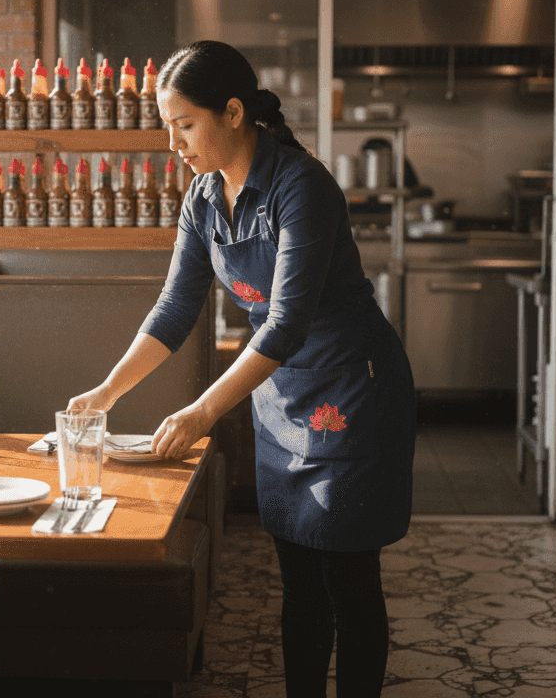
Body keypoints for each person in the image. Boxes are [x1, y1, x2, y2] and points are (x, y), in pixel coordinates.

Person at [68, 40, 416, 697]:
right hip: (280, 400)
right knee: (299, 584)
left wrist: (202, 411)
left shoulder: (301, 185)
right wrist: (106, 392)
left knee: (348, 583)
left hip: (350, 391)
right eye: (166, 127)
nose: (174, 143)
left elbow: (284, 323)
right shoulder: (202, 199)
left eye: (185, 125)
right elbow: (175, 311)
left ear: (233, 113)